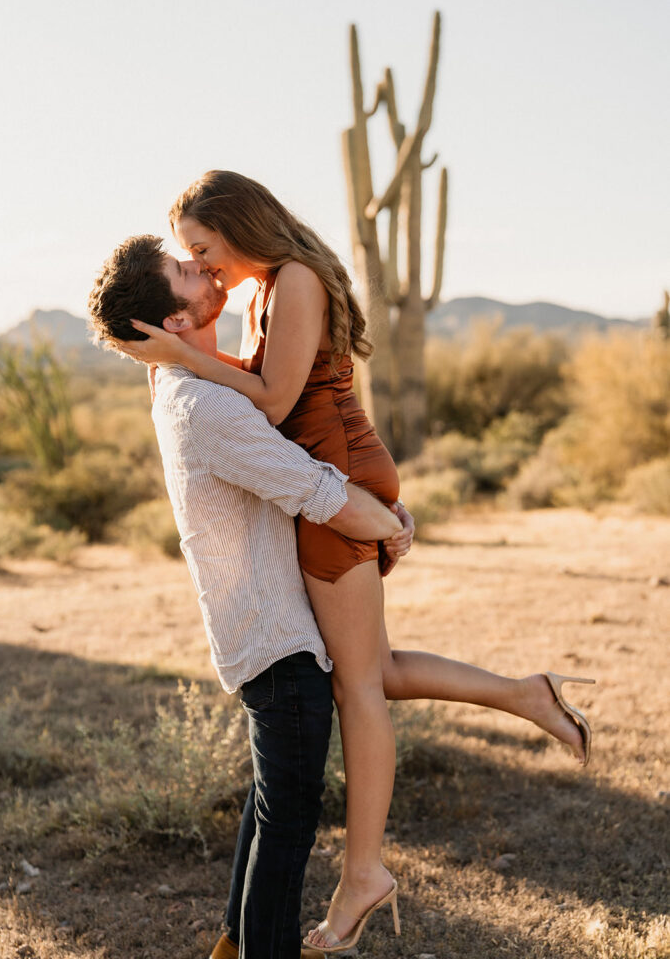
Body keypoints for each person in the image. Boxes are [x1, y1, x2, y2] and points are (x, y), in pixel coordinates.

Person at [123, 171, 595, 954]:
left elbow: (270, 404)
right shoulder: (265, 291)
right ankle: (525, 694)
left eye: (206, 249)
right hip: (334, 471)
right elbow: (259, 392)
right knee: (371, 664)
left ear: (242, 228)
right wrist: (180, 360)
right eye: (192, 259)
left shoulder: (297, 279)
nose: (205, 266)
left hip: (335, 472)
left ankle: (365, 872)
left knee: (356, 683)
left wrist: (178, 354)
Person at [87, 235, 406, 959]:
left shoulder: (187, 386)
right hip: (279, 642)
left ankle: (231, 946)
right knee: (288, 825)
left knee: (270, 812)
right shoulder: (204, 405)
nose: (200, 266)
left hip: (263, 634)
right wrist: (391, 525)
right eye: (182, 268)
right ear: (173, 322)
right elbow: (316, 491)